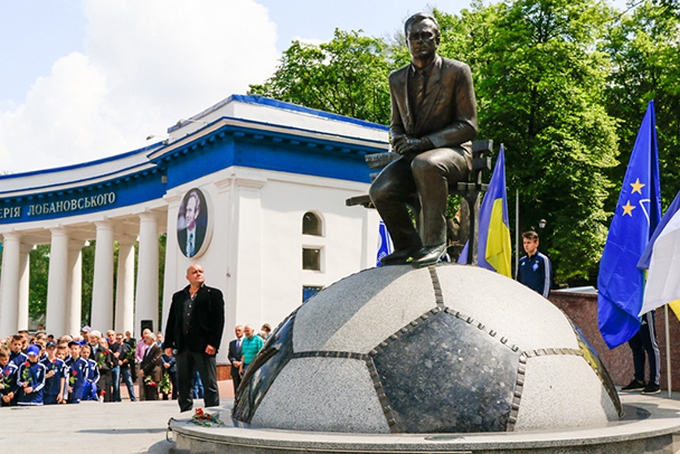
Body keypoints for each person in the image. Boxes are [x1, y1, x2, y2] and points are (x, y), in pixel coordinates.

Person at [369, 12, 478, 268]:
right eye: (414, 36)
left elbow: (469, 125)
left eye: (426, 35)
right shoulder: (397, 79)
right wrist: (398, 139)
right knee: (380, 190)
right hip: (414, 157)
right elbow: (396, 124)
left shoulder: (457, 72)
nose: (420, 41)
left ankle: (434, 243)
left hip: (454, 153)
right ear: (407, 41)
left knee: (426, 164)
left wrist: (425, 143)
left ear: (437, 40)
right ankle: (407, 244)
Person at [163, 264, 225, 412]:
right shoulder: (179, 296)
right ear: (188, 277)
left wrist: (213, 343)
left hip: (204, 347)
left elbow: (218, 321)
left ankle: (212, 414)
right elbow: (172, 321)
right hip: (183, 347)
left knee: (209, 383)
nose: (198, 274)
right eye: (194, 272)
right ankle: (185, 413)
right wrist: (168, 344)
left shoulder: (213, 294)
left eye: (200, 271)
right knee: (183, 384)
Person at [621, 311, 661, 394]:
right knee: (636, 347)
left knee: (650, 345)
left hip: (645, 310)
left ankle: (654, 382)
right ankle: (639, 381)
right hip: (631, 310)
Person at [516, 231, 553, 297]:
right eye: (524, 243)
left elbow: (547, 281)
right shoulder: (522, 261)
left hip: (537, 297)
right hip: (523, 297)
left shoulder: (543, 260)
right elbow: (518, 280)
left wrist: (543, 298)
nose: (526, 245)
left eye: (529, 243)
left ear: (536, 244)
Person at [177, 190, 207, 258]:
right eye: (186, 210)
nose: (187, 215)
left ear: (196, 213)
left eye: (190, 210)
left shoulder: (202, 234)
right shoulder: (180, 235)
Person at [139, 332, 162, 401]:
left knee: (153, 395)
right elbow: (144, 361)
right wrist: (142, 369)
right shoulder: (147, 349)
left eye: (147, 338)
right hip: (146, 374)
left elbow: (154, 361)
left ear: (152, 339)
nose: (145, 340)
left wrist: (144, 369)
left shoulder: (157, 348)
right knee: (147, 395)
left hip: (153, 374)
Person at [117, 332, 136, 401]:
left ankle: (133, 398)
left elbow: (131, 355)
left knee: (129, 382)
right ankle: (118, 398)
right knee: (116, 383)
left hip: (125, 366)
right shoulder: (115, 346)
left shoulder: (127, 346)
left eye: (119, 339)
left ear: (123, 339)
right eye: (117, 339)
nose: (118, 340)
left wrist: (127, 360)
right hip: (117, 366)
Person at [228, 325, 244, 394]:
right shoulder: (232, 343)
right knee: (236, 388)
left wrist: (241, 362)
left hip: (243, 368)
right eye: (236, 331)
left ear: (243, 331)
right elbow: (230, 355)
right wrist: (233, 361)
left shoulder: (246, 342)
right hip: (234, 369)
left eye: (239, 330)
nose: (237, 332)